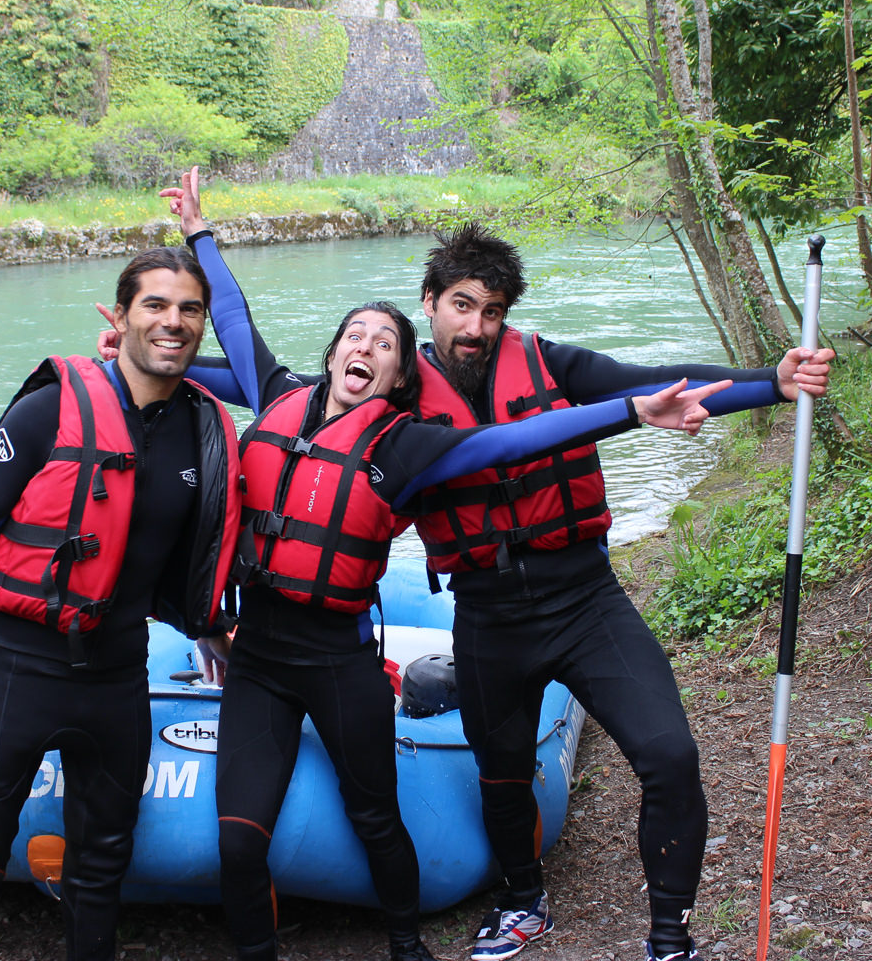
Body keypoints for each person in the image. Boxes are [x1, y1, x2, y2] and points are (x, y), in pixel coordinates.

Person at [127, 170, 731, 961]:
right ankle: (512, 906)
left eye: (384, 342)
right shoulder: (284, 395)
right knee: (264, 835)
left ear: (399, 372)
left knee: (659, 758)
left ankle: (642, 937)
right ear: (334, 351)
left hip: (533, 607)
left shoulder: (404, 440)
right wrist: (195, 252)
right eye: (355, 336)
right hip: (308, 645)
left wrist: (663, 406)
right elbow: (235, 339)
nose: (366, 346)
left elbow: (510, 440)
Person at [408, 223, 835, 961]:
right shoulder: (399, 392)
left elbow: (654, 382)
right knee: (500, 769)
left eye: (493, 311)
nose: (476, 327)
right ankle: (522, 903)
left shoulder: (548, 362)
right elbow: (283, 388)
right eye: (462, 306)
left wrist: (774, 381)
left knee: (669, 754)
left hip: (583, 598)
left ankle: (670, 938)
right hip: (487, 611)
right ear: (431, 304)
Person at [0, 246, 241, 961]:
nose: (173, 321)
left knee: (101, 869)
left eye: (189, 309)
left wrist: (209, 628)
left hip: (119, 677)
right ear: (119, 318)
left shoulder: (203, 429)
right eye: (155, 304)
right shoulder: (46, 410)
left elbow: (175, 562)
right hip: (17, 671)